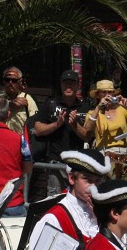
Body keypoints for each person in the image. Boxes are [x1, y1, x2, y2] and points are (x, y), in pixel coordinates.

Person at [31, 69, 92, 201]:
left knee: (76, 201)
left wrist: (75, 125)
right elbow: (37, 129)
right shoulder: (50, 104)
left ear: (77, 85)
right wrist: (56, 124)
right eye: (65, 83)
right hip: (55, 163)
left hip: (76, 166)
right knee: (54, 201)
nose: (68, 86)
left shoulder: (85, 108)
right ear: (60, 84)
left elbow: (88, 136)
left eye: (72, 83)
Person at [83, 80, 127, 155]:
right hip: (104, 152)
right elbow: (87, 129)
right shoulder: (93, 113)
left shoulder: (121, 110)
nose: (107, 95)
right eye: (103, 92)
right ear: (97, 95)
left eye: (110, 92)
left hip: (122, 153)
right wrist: (98, 108)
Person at [0, 66, 38, 141]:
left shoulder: (27, 99)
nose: (10, 83)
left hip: (19, 141)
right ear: (3, 81)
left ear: (20, 81)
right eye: (7, 80)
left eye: (14, 80)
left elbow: (35, 123)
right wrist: (10, 105)